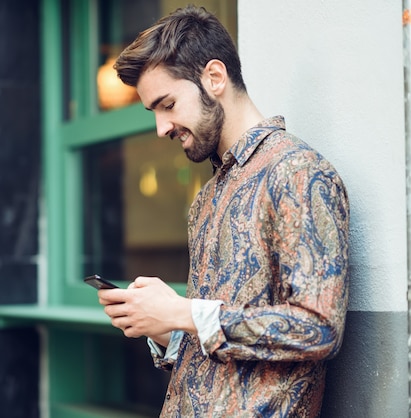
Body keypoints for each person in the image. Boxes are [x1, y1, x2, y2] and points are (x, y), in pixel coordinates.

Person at [97, 5, 350, 417]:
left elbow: (318, 329)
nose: (161, 128)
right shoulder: (206, 199)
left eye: (168, 104)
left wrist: (182, 311)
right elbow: (215, 343)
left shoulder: (298, 172)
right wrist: (166, 328)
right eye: (154, 112)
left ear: (214, 78)